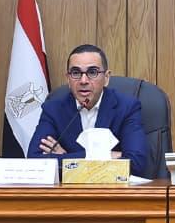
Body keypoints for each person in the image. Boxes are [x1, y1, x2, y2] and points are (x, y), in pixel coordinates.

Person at [27, 44, 149, 177]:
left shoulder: (126, 107)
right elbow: (35, 163)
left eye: (92, 72)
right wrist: (103, 156)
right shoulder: (53, 109)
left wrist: (66, 157)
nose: (83, 80)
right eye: (76, 73)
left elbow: (136, 164)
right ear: (68, 79)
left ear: (106, 78)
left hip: (112, 189)